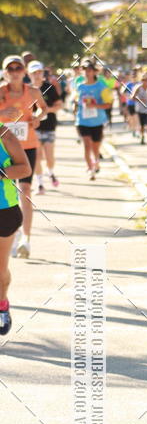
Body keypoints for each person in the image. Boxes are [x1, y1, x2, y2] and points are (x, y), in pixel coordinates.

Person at [0, 54, 47, 259]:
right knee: (10, 190)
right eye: (10, 69)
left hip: (27, 145)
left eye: (18, 68)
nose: (15, 72)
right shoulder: (0, 92)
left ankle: (25, 238)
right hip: (5, 147)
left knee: (26, 188)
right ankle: (12, 229)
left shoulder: (33, 91)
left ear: (24, 71)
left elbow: (43, 109)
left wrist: (37, 118)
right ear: (5, 72)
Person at [0, 122, 31, 334]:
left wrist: (1, 172)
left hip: (4, 211)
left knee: (0, 270)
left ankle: (1, 304)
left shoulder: (6, 136)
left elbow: (25, 168)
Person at [73, 58, 112, 180]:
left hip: (97, 121)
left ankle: (96, 163)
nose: (87, 72)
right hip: (82, 120)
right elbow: (75, 100)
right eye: (84, 70)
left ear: (95, 72)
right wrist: (75, 105)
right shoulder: (79, 86)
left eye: (89, 70)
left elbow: (109, 104)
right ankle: (91, 169)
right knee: (87, 144)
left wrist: (95, 105)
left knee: (95, 147)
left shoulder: (101, 86)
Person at [28, 60, 62, 192]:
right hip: (33, 128)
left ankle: (51, 172)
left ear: (43, 73)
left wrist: (46, 110)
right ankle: (40, 183)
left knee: (49, 156)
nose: (37, 75)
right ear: (29, 74)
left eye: (39, 72)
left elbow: (60, 105)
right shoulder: (27, 90)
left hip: (49, 126)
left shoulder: (50, 87)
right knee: (37, 156)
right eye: (34, 73)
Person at [132, 73, 147, 145]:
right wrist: (140, 100)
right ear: (141, 80)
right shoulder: (138, 87)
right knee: (142, 125)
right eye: (144, 80)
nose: (146, 81)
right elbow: (132, 97)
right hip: (140, 109)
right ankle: (142, 136)